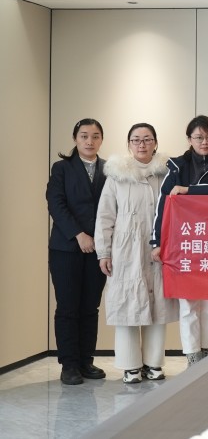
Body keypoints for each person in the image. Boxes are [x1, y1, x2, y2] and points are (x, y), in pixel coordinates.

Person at [96, 123, 178, 383]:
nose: (142, 144)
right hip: (126, 250)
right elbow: (105, 215)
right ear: (129, 144)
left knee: (158, 305)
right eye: (136, 140)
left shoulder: (167, 173)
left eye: (147, 139)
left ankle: (153, 363)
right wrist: (103, 252)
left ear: (155, 142)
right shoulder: (117, 175)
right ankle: (130, 366)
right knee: (127, 306)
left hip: (159, 249)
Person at [151, 115, 208, 366]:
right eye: (198, 137)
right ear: (189, 139)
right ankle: (192, 356)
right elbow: (163, 205)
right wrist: (157, 241)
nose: (204, 141)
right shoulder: (177, 165)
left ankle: (207, 352)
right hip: (184, 242)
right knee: (188, 304)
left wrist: (188, 190)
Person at [46, 119, 107, 385]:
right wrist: (79, 234)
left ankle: (85, 361)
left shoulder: (109, 169)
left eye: (95, 136)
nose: (89, 141)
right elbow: (55, 204)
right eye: (84, 136)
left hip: (98, 249)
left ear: (101, 139)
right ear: (75, 139)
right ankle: (69, 365)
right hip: (66, 247)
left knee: (90, 307)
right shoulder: (61, 168)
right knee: (68, 307)